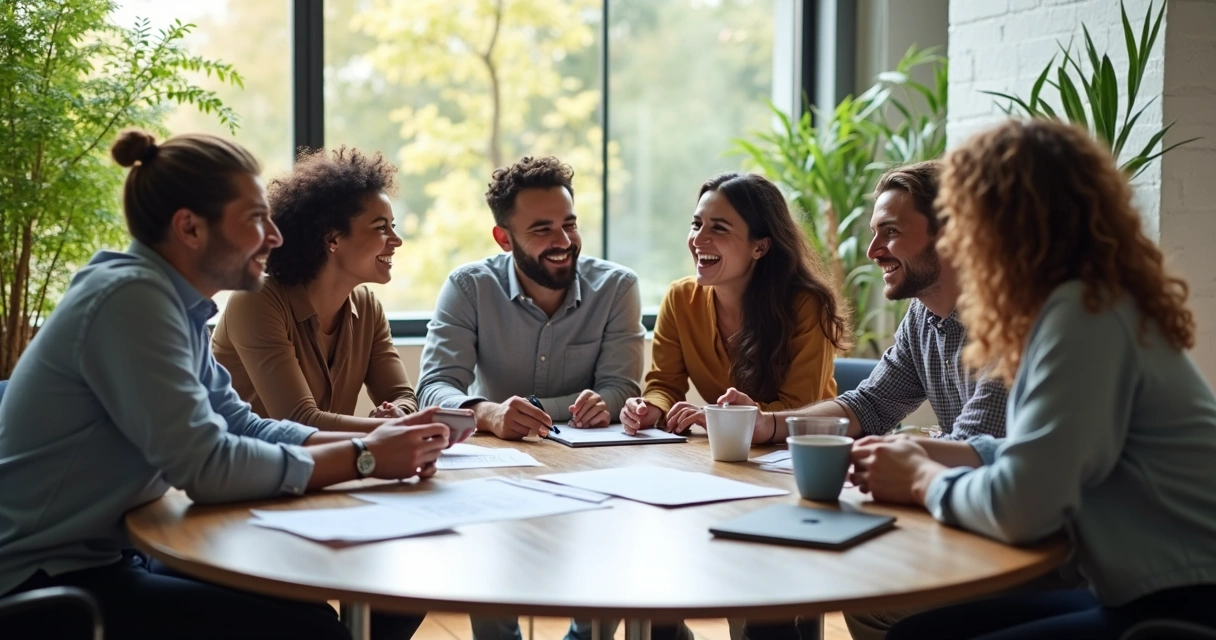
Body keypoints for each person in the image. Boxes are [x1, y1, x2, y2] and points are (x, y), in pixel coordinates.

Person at [0, 129, 450, 640]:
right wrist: (364, 458)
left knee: (376, 600)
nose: (276, 237)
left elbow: (240, 422)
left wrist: (369, 443)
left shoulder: (174, 306)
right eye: (256, 220)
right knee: (310, 631)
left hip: (110, 555)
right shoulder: (131, 301)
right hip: (42, 583)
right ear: (190, 228)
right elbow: (206, 465)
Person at [851, 119, 1216, 639]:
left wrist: (920, 477)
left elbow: (1024, 504)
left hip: (1183, 604)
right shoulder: (1085, 303)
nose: (956, 241)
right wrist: (932, 454)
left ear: (1007, 222)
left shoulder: (1082, 314)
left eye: (963, 219)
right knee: (921, 632)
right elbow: (1040, 452)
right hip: (1148, 587)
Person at [716, 161, 1011, 640]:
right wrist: (767, 425)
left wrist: (915, 445)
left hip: (1014, 541)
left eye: (890, 233)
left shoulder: (1004, 322)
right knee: (829, 592)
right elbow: (869, 405)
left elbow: (976, 447)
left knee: (871, 595)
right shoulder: (924, 316)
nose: (873, 251)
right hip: (966, 515)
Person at [418, 155, 644, 640]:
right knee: (489, 572)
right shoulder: (467, 287)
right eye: (542, 230)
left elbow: (621, 388)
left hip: (593, 472)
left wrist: (546, 410)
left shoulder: (618, 287)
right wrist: (490, 413)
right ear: (504, 238)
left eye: (569, 224)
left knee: (609, 573)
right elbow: (433, 387)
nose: (563, 242)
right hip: (493, 473)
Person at [619, 171, 849, 437]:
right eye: (696, 224)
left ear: (760, 248)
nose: (697, 239)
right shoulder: (680, 298)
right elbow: (664, 384)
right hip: (729, 451)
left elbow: (797, 409)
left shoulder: (807, 305)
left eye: (718, 228)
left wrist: (720, 417)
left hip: (799, 452)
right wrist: (649, 408)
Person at [212, 147, 419, 431]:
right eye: (381, 228)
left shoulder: (367, 307)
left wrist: (397, 412)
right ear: (333, 239)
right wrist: (390, 430)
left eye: (392, 226)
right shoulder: (257, 301)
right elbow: (297, 420)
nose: (396, 240)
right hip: (245, 471)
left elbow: (402, 395)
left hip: (317, 469)